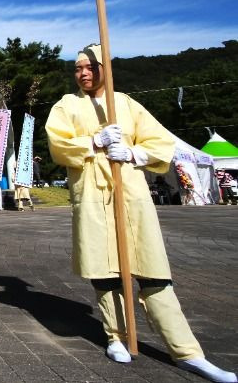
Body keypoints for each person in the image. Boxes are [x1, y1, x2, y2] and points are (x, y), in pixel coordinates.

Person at [45, 44, 236, 383]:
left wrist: (133, 153)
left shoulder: (127, 103)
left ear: (106, 69)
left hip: (131, 195)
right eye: (78, 68)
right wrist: (94, 142)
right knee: (105, 271)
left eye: (90, 67)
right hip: (92, 196)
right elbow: (58, 145)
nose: (83, 73)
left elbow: (161, 141)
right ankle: (116, 336)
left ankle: (187, 352)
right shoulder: (66, 105)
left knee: (153, 272)